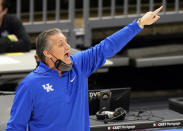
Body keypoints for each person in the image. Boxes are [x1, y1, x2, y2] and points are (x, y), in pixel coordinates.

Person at [6, 6, 163, 131]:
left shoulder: (78, 65)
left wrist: (139, 24)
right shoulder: (30, 85)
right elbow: (15, 127)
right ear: (47, 54)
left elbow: (106, 46)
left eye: (66, 42)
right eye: (60, 44)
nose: (68, 46)